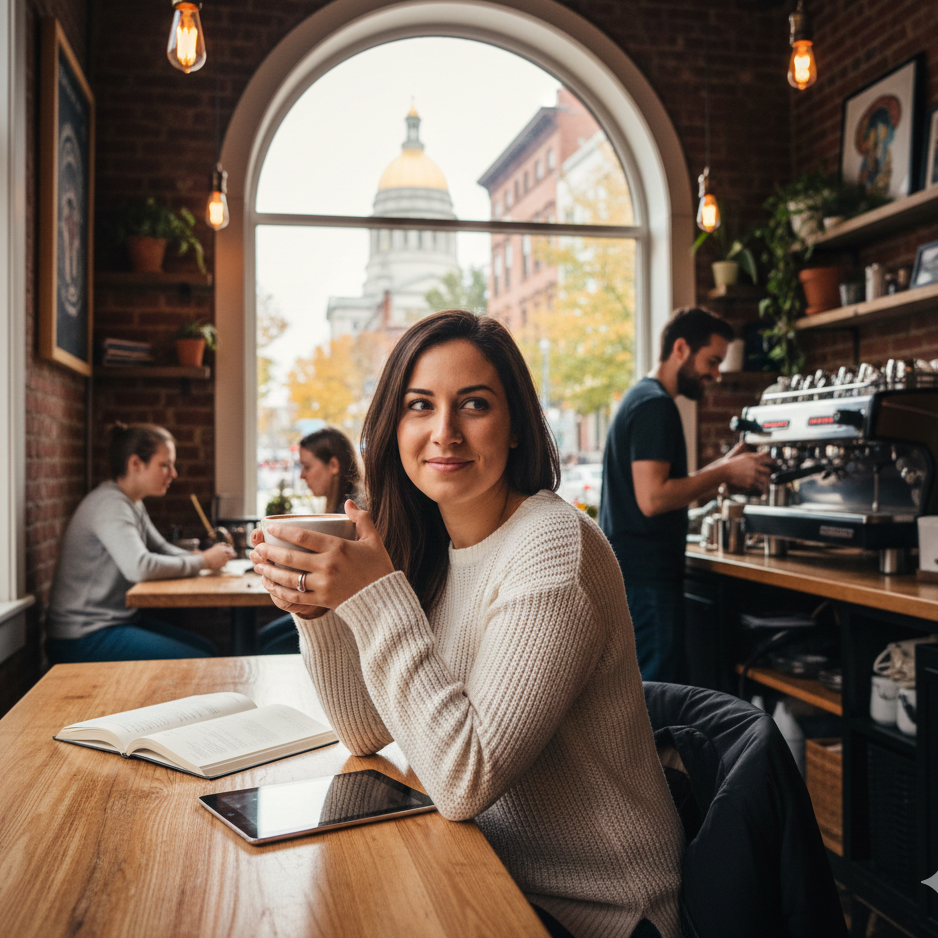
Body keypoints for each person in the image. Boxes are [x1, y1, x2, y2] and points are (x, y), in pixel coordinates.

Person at [250, 310, 683, 938]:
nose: (443, 432)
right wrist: (318, 613)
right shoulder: (440, 546)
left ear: (515, 428)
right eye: (420, 406)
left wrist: (374, 596)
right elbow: (367, 729)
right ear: (393, 429)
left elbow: (463, 777)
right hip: (489, 874)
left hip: (598, 911)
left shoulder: (552, 545)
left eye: (474, 405)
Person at [599, 308, 773, 683]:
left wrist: (725, 465)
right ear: (680, 348)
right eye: (711, 361)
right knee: (657, 701)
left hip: (634, 574)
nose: (715, 374)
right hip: (647, 581)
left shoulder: (640, 397)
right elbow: (654, 498)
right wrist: (725, 472)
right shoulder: (655, 405)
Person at [46, 422, 234, 662]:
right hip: (82, 636)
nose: (173, 474)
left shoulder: (132, 502)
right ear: (135, 464)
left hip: (112, 623)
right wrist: (203, 561)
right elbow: (140, 567)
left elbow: (162, 548)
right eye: (165, 465)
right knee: (201, 661)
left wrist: (202, 558)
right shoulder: (111, 505)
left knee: (209, 651)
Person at [257, 427, 360, 654]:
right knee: (265, 636)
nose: (302, 475)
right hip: (330, 610)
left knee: (267, 642)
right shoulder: (338, 507)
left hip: (346, 619)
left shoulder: (352, 514)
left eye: (307, 466)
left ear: (333, 465)